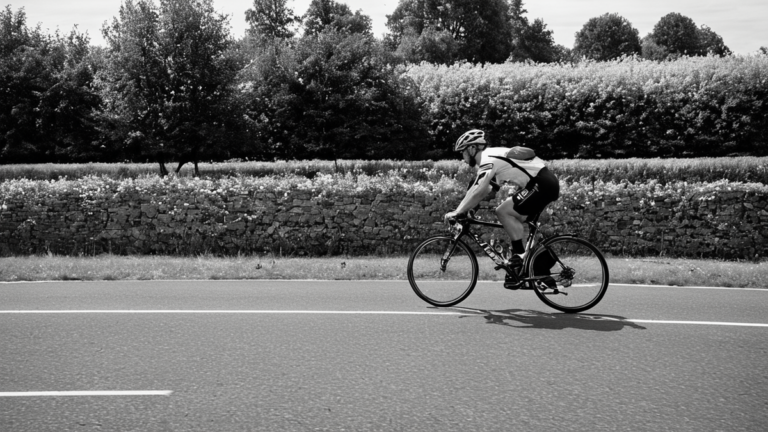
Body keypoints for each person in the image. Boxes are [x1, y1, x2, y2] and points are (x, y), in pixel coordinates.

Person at [444, 129, 560, 289]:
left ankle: (518, 260)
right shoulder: (491, 158)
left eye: (463, 152)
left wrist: (458, 212)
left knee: (504, 211)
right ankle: (536, 268)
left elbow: (479, 189)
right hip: (543, 183)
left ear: (472, 149)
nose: (462, 157)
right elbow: (489, 191)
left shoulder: (487, 158)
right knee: (515, 219)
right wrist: (469, 210)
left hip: (541, 184)